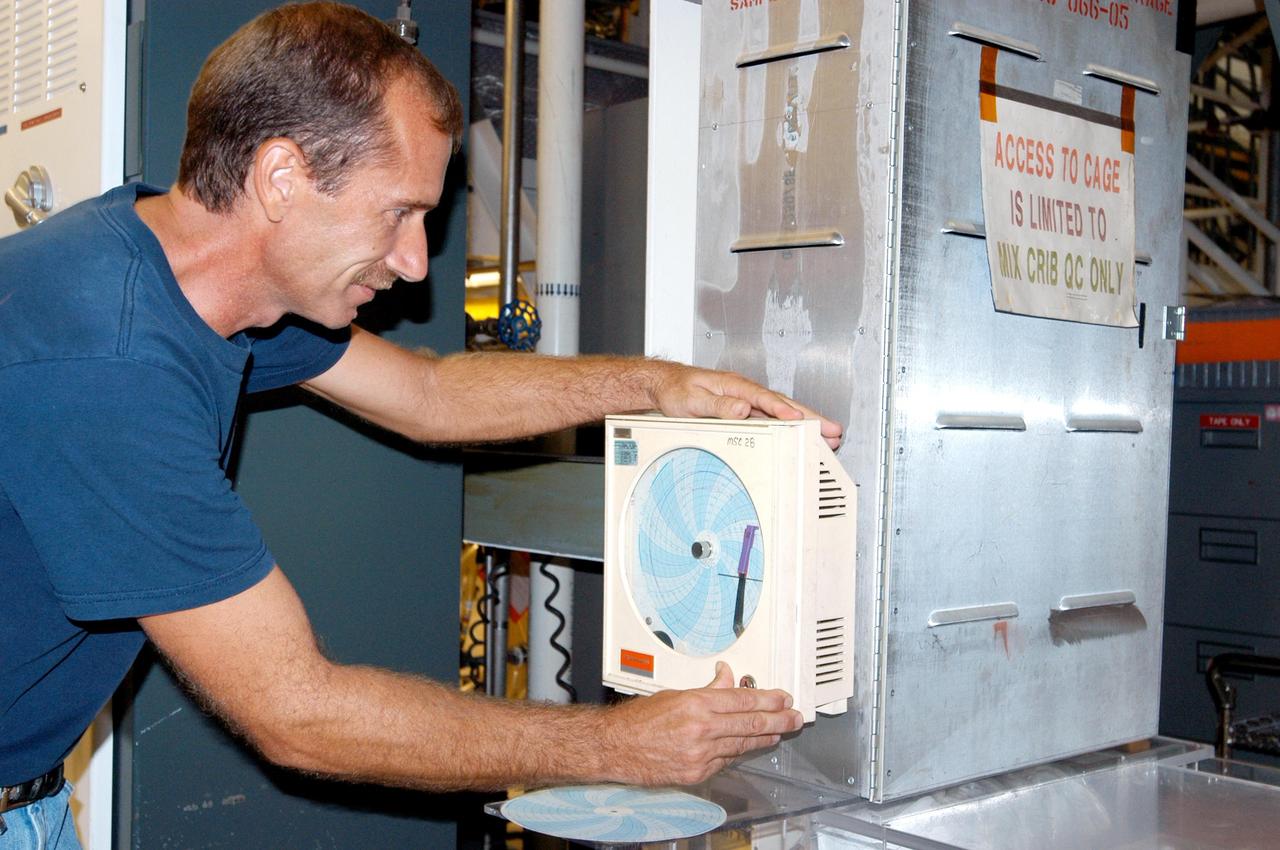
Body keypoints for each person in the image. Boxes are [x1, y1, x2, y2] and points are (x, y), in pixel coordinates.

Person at [0, 3, 842, 845]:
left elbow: (429, 394)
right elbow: (297, 712)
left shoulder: (182, 274)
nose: (413, 262)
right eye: (398, 212)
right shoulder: (106, 365)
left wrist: (657, 385)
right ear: (281, 177)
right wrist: (616, 746)